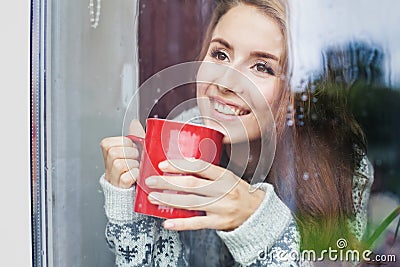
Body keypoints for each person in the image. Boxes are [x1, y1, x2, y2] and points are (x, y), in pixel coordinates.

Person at [99, 0, 373, 266]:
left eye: (262, 67)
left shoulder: (344, 170)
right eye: (220, 55)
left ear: (297, 93)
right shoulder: (180, 137)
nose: (226, 82)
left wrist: (258, 225)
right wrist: (133, 206)